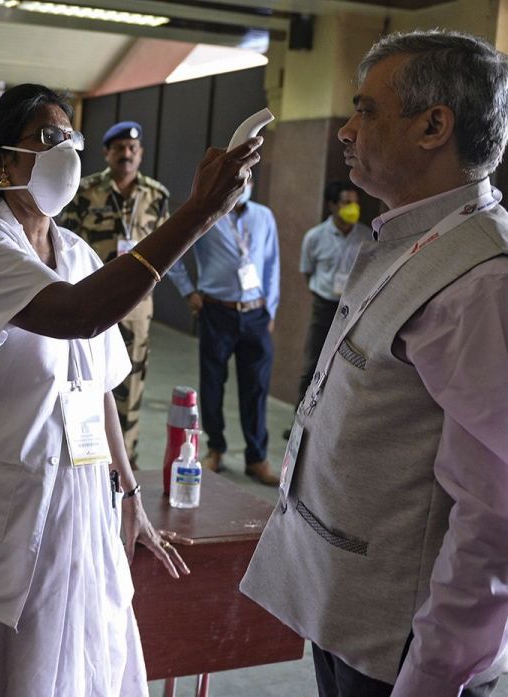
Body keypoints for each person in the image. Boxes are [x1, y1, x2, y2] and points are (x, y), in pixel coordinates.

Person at [0, 83, 261, 696]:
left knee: (70, 664)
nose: (69, 154)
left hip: (73, 503)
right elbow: (77, 313)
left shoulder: (76, 252)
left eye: (74, 140)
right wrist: (198, 212)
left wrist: (128, 493)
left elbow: (94, 386)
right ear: (2, 161)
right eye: (49, 139)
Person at [241, 30, 508, 697]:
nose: (346, 130)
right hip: (349, 616)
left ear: (433, 126)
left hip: (407, 648)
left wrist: (435, 672)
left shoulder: (479, 282)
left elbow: (494, 512)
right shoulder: (407, 238)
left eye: (367, 110)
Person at [60, 121, 170, 469]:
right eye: (119, 148)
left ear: (141, 153)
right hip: (92, 300)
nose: (127, 154)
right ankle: (88, 456)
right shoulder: (84, 191)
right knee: (85, 375)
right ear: (107, 152)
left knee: (131, 383)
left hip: (137, 306)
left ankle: (126, 463)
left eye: (133, 149)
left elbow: (167, 247)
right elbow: (64, 244)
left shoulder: (157, 195)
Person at [166, 181, 281, 486]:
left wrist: (270, 308)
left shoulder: (264, 216)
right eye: (237, 181)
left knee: (256, 387)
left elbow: (271, 263)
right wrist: (187, 291)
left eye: (248, 181)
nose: (243, 186)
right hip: (217, 311)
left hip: (256, 313)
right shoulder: (209, 215)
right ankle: (215, 448)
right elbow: (174, 252)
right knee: (213, 383)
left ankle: (256, 458)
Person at [283, 180, 370, 438]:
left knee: (347, 369)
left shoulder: (367, 237)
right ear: (332, 205)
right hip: (323, 307)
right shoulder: (315, 237)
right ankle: (299, 424)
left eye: (355, 202)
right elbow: (307, 271)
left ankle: (333, 428)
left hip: (355, 311)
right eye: (346, 202)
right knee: (311, 366)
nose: (352, 207)